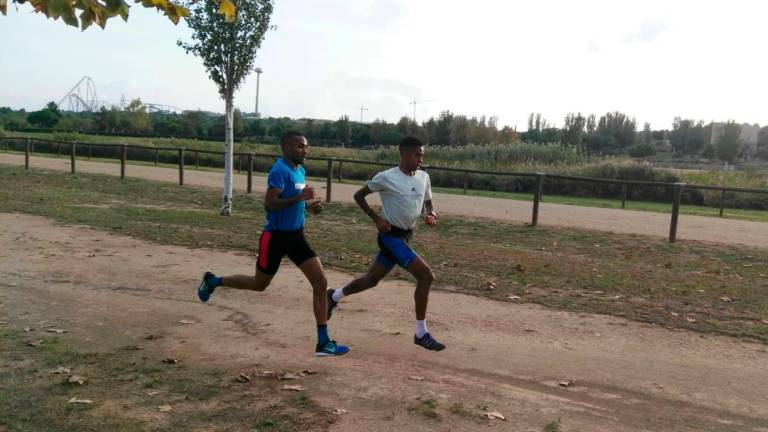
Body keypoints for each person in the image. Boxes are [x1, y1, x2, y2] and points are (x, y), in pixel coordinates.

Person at [196, 131, 350, 357]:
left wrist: (309, 206)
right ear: (286, 147)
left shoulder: (300, 171)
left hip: (296, 236)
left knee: (320, 281)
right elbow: (269, 204)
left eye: (306, 146)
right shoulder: (280, 170)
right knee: (259, 284)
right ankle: (213, 281)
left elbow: (293, 203)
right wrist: (299, 198)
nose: (305, 150)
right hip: (275, 238)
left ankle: (323, 342)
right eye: (300, 146)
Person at [326, 136, 445, 351]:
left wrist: (431, 213)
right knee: (426, 276)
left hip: (406, 236)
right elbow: (359, 195)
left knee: (371, 280)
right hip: (390, 237)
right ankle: (421, 333)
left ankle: (333, 296)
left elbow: (427, 201)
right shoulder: (386, 177)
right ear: (404, 154)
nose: (421, 159)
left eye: (422, 155)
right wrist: (376, 218)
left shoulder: (423, 177)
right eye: (417, 155)